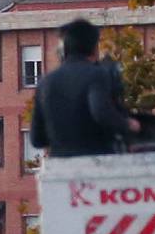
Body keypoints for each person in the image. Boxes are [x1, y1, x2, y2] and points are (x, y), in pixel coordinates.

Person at [28, 18, 139, 157]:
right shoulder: (97, 75)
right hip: (97, 164)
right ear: (93, 47)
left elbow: (36, 140)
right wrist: (128, 124)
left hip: (59, 168)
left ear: (64, 50)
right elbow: (101, 112)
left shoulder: (45, 82)